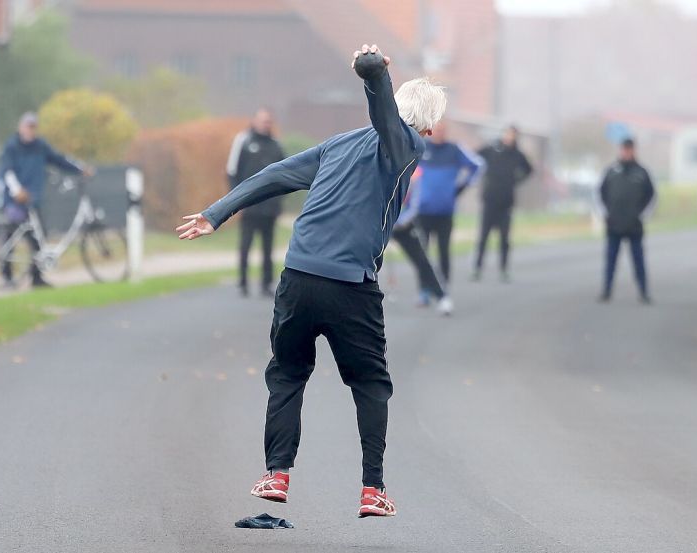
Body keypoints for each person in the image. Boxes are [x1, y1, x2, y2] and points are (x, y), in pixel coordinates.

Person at [176, 44, 446, 518]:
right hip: (349, 287)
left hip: (297, 277)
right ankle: (373, 489)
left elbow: (273, 176)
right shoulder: (408, 145)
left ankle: (275, 474)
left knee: (286, 374)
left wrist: (217, 213)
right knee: (370, 381)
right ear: (426, 125)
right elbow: (383, 114)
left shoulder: (338, 144)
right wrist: (372, 73)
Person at [0, 112, 93, 288]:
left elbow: (59, 160)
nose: (30, 130)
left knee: (38, 239)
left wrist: (80, 169)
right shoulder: (11, 147)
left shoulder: (40, 146)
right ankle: (7, 277)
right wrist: (17, 191)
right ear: (21, 127)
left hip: (33, 200)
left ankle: (36, 278)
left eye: (33, 127)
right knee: (11, 238)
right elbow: (7, 171)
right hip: (15, 200)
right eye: (28, 126)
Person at [226, 108, 287, 297]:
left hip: (269, 208)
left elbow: (285, 175)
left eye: (268, 121)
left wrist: (278, 201)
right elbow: (232, 171)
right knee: (245, 245)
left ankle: (266, 283)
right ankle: (242, 282)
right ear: (254, 121)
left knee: (268, 248)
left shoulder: (276, 145)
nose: (265, 124)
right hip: (248, 206)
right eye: (262, 120)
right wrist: (235, 203)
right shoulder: (243, 141)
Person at [414, 120, 483, 284]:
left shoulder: (455, 150)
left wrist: (463, 187)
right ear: (430, 131)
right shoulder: (421, 147)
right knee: (422, 251)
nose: (439, 133)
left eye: (443, 130)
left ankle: (444, 287)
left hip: (446, 211)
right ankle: (425, 288)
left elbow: (478, 166)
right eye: (437, 130)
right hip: (423, 210)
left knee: (444, 250)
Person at [473, 125, 533, 282]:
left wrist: (516, 180)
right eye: (508, 134)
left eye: (513, 135)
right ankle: (477, 268)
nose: (509, 137)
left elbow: (529, 169)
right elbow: (474, 157)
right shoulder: (492, 149)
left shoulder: (518, 155)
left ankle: (504, 269)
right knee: (483, 236)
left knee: (504, 238)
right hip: (490, 198)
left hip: (506, 201)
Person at [598, 138, 655, 304]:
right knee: (610, 260)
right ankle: (606, 291)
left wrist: (641, 216)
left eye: (629, 149)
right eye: (624, 149)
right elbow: (599, 193)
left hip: (634, 226)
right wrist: (605, 214)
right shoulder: (611, 171)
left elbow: (652, 197)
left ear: (634, 151)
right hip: (613, 225)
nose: (626, 152)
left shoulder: (642, 173)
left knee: (638, 260)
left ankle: (643, 292)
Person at [392, 167, 453, 315]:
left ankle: (442, 297)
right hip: (382, 223)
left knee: (421, 260)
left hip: (404, 225)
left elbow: (415, 204)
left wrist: (400, 222)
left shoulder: (415, 170)